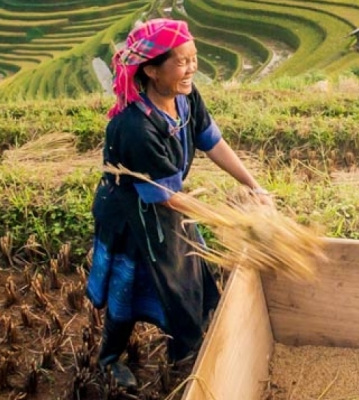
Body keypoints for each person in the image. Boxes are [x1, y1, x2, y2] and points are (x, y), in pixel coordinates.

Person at [86, 18, 270, 390]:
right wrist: (229, 219)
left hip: (166, 207)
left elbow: (211, 141)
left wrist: (253, 185)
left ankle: (182, 345)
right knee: (130, 287)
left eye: (194, 59)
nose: (191, 69)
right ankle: (108, 359)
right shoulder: (137, 127)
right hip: (131, 217)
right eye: (182, 62)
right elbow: (165, 196)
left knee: (188, 275)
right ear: (152, 70)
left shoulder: (185, 97)